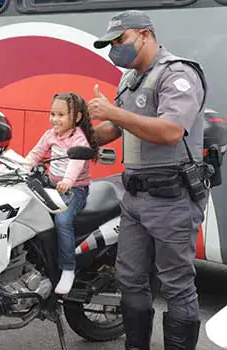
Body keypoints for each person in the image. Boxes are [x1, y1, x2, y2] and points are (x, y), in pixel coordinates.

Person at [89, 10, 207, 350]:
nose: (115, 49)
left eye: (119, 40)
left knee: (176, 285)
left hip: (171, 197)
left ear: (144, 35)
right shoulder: (129, 80)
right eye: (110, 43)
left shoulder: (178, 73)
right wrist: (83, 129)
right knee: (129, 279)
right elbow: (115, 128)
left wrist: (114, 113)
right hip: (135, 197)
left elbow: (171, 131)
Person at [25, 92, 96, 295]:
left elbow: (74, 165)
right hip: (51, 186)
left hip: (75, 190)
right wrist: (21, 167)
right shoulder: (50, 135)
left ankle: (68, 268)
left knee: (62, 220)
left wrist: (67, 181)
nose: (55, 119)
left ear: (77, 117)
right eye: (52, 113)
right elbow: (36, 154)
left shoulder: (79, 140)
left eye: (61, 115)